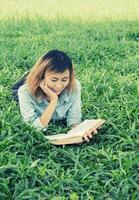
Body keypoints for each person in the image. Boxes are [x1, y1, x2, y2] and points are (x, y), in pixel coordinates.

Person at [13, 49, 98, 142]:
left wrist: (81, 131)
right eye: (54, 80)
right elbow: (33, 129)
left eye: (64, 79)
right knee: (15, 92)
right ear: (42, 77)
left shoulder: (74, 86)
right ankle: (28, 75)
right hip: (26, 90)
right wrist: (53, 100)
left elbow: (74, 118)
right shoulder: (24, 92)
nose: (59, 86)